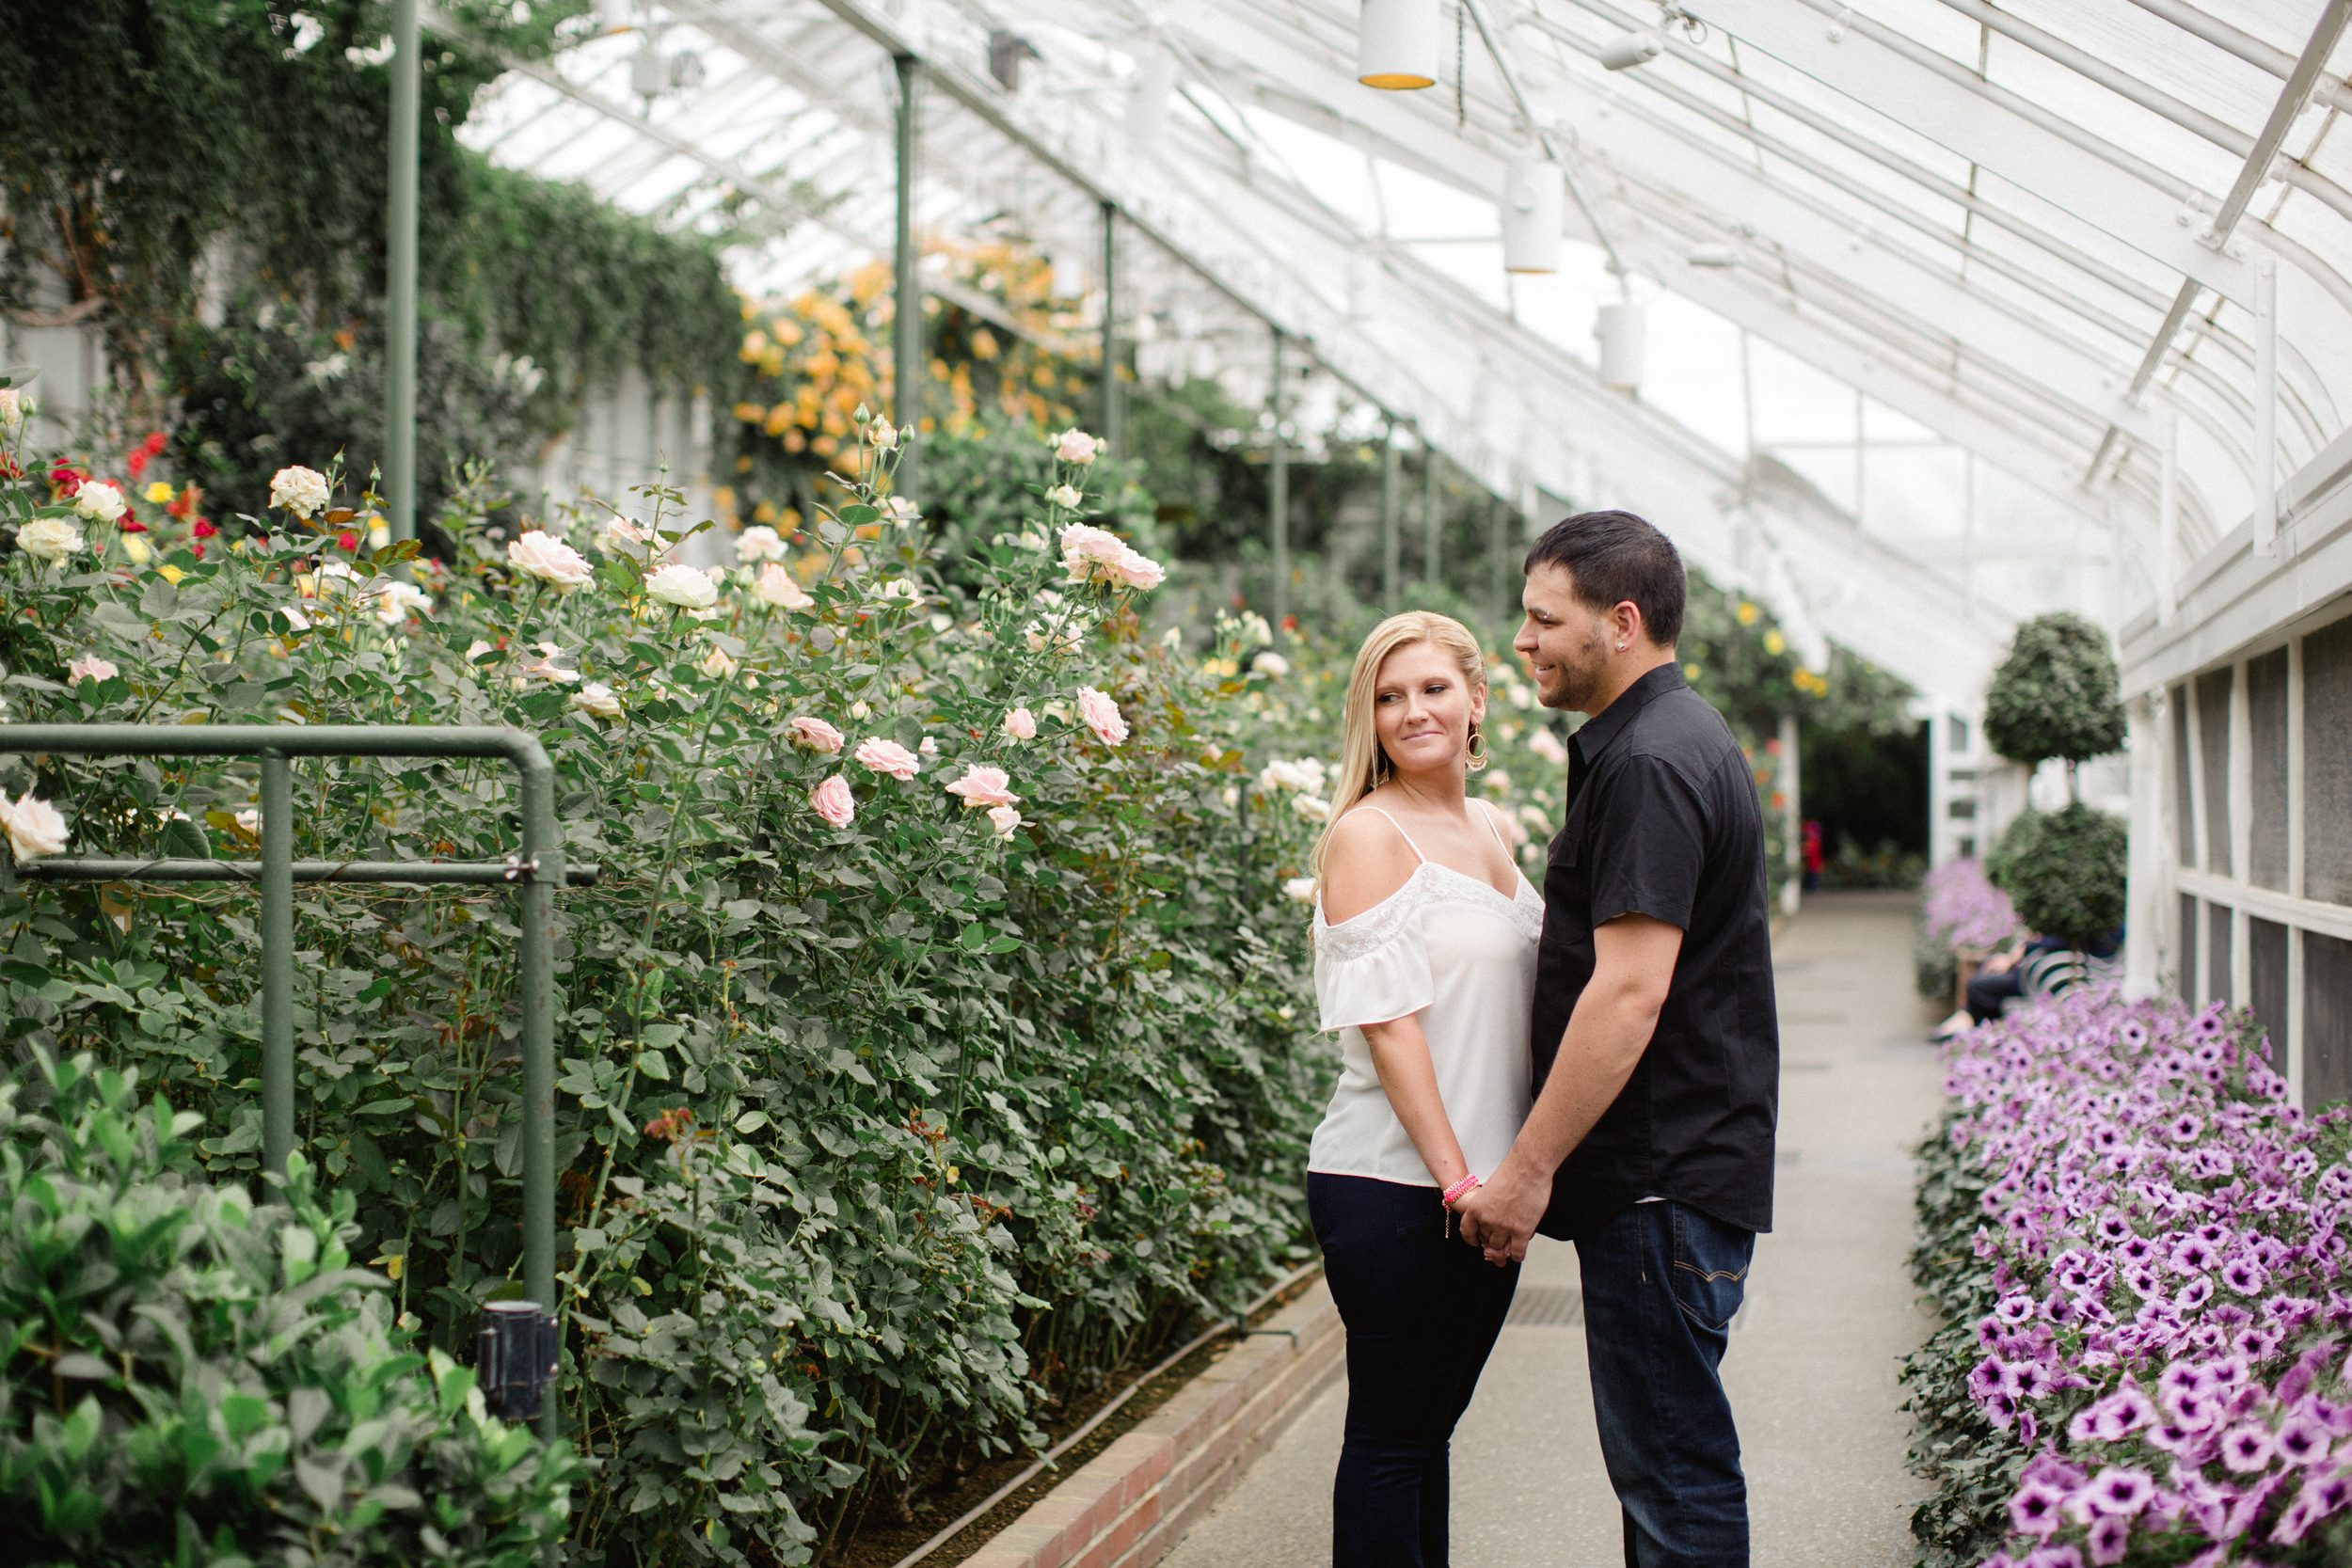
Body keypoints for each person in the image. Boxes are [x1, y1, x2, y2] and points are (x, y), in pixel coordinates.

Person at [1455, 511, 1779, 1568]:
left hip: (1657, 1177)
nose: (1522, 641)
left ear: (1622, 621)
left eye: (1544, 619)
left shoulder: (1647, 761)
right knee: (1668, 1470)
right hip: (1676, 1172)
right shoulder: (1669, 739)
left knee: (1673, 1482)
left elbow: (1627, 993)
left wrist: (1525, 1171)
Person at [1306, 610, 1543, 1568]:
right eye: (1389, 695)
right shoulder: (1368, 833)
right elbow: (1393, 1030)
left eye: (1433, 687)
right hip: (1400, 1190)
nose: (1412, 711)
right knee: (1393, 1440)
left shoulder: (1488, 824)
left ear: (1477, 698)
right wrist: (1461, 1186)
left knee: (1422, 1439)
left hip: (1482, 1191)